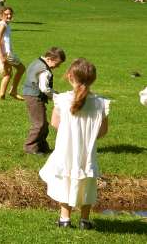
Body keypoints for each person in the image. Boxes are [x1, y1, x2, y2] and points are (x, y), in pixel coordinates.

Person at [39, 58, 110, 229]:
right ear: (93, 79)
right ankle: (84, 220)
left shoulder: (62, 100)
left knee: (65, 178)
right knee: (87, 180)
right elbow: (103, 131)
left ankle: (65, 219)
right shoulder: (100, 103)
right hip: (88, 151)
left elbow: (55, 123)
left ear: (70, 76)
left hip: (66, 148)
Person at [22, 47, 67, 155]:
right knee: (39, 123)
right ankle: (30, 147)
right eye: (57, 63)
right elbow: (44, 88)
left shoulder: (36, 62)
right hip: (34, 96)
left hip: (30, 94)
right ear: (49, 58)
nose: (58, 66)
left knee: (43, 124)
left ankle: (42, 146)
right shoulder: (44, 70)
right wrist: (55, 96)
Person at [0, 7, 24, 100]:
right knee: (21, 68)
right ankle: (13, 91)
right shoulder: (3, 25)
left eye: (10, 14)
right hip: (6, 54)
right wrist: (1, 56)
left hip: (2, 54)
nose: (9, 16)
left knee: (7, 74)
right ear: (1, 15)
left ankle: (2, 95)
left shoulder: (4, 24)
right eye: (6, 14)